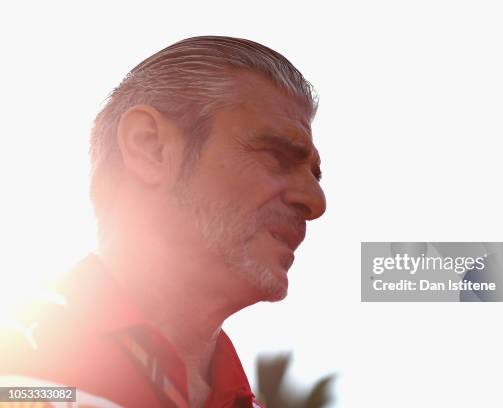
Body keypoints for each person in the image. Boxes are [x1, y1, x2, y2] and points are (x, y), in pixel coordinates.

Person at [0, 36, 326, 408]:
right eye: (277, 155)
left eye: (316, 176)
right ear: (150, 146)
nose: (315, 202)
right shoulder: (14, 362)